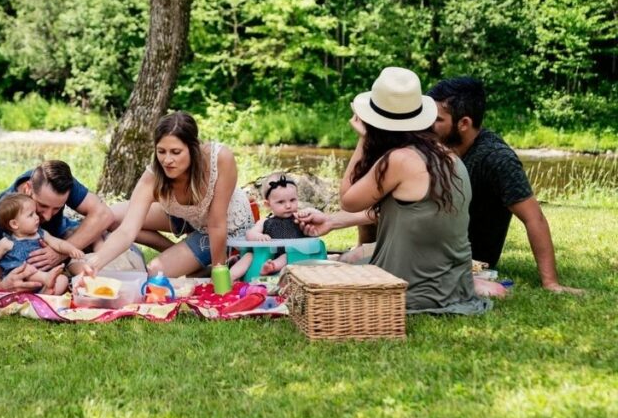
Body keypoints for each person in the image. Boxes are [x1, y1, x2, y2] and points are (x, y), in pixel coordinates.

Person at [329, 67, 492, 313]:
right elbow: (411, 217)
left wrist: (363, 140)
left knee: (328, 268)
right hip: (455, 289)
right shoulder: (449, 156)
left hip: (410, 291)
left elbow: (348, 200)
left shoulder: (399, 160)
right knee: (351, 259)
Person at [427, 77, 583, 295]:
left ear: (464, 123)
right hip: (429, 242)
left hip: (466, 258)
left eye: (436, 119)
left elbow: (533, 217)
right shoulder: (435, 143)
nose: (427, 124)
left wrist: (551, 283)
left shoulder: (497, 158)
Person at [80, 111, 254, 278]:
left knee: (155, 271)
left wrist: (220, 274)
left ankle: (195, 262)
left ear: (192, 148)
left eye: (176, 152)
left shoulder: (219, 159)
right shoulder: (152, 177)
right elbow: (127, 230)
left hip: (224, 225)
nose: (167, 160)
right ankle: (187, 258)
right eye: (161, 151)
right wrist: (95, 264)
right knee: (110, 216)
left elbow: (217, 224)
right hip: (187, 218)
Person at [0, 160, 117, 292]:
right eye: (42, 206)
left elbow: (104, 214)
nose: (48, 216)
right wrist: (3, 285)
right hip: (40, 271)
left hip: (68, 238)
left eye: (57, 209)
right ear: (28, 189)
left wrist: (60, 253)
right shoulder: (2, 216)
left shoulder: (58, 180)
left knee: (118, 250)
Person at [0, 193, 83, 294]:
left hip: (40, 283)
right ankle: (45, 281)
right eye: (31, 215)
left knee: (62, 279)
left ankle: (43, 296)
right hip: (19, 282)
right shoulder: (6, 243)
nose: (37, 217)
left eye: (35, 213)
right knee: (26, 269)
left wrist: (71, 249)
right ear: (14, 224)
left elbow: (58, 244)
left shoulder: (41, 233)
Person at [229, 173, 308, 280]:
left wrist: (305, 217)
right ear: (268, 204)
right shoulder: (266, 222)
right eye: (281, 202)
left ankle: (272, 266)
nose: (288, 205)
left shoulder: (298, 218)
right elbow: (249, 233)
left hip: (290, 258)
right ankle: (228, 278)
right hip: (265, 255)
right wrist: (258, 236)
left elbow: (312, 228)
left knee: (287, 255)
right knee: (248, 256)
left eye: (292, 200)